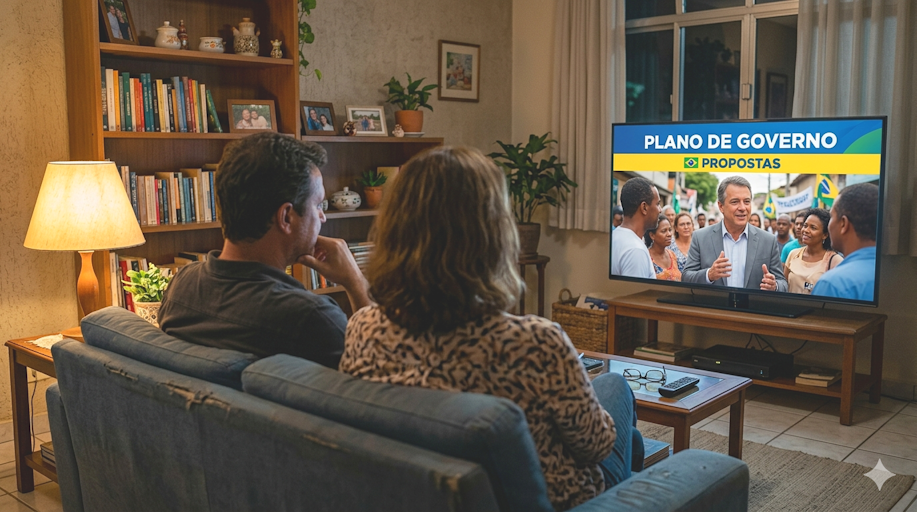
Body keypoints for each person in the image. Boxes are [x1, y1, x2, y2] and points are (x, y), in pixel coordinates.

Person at [339, 146, 638, 511]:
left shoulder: (363, 328)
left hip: (426, 496)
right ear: (493, 234)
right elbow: (597, 446)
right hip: (556, 501)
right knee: (616, 387)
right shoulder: (536, 343)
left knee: (633, 436)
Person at [159, 133, 371, 368]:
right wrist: (355, 281)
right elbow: (382, 375)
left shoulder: (181, 286)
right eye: (318, 205)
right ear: (286, 217)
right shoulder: (312, 319)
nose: (323, 217)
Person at [683, 176, 787, 291]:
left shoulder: (768, 241)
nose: (742, 208)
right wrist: (709, 275)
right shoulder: (700, 238)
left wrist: (774, 286)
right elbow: (686, 277)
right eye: (735, 202)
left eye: (746, 201)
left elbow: (783, 284)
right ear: (721, 206)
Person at [812, 183, 879, 301]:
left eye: (831, 217)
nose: (829, 225)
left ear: (843, 223)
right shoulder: (901, 276)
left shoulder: (833, 285)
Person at [611, 176, 660, 279]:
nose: (660, 210)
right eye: (658, 204)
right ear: (644, 207)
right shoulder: (636, 250)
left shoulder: (613, 236)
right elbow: (635, 290)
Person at [784, 208, 843, 294]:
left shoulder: (835, 261)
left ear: (825, 235)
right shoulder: (793, 254)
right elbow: (784, 286)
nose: (806, 230)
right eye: (805, 226)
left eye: (813, 228)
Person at [645, 215, 681, 281]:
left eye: (670, 230)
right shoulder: (646, 257)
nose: (669, 234)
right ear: (652, 235)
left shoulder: (672, 255)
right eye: (664, 231)